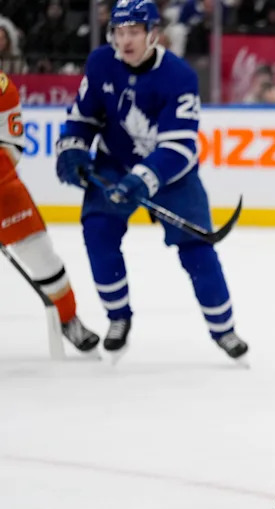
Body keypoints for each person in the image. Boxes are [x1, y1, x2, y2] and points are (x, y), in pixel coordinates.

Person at [54, 0, 248, 361]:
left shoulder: (179, 76)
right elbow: (82, 117)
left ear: (153, 34)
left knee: (198, 251)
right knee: (97, 231)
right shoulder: (100, 64)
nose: (125, 41)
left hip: (173, 176)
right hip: (114, 164)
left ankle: (225, 329)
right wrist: (73, 148)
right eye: (120, 32)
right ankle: (118, 317)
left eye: (134, 33)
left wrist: (143, 179)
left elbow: (179, 146)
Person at [0, 71, 99, 353]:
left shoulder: (2, 88)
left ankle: (69, 319)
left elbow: (12, 147)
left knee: (41, 255)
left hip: (1, 188)